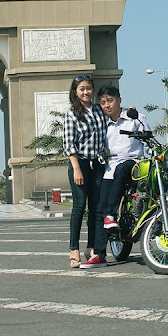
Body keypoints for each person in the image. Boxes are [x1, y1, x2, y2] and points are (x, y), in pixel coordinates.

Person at [81, 85, 150, 268]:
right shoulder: (103, 123)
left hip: (133, 164)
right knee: (99, 208)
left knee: (122, 168)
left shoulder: (135, 117)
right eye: (103, 102)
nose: (106, 105)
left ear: (119, 100)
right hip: (110, 167)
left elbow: (148, 141)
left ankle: (111, 215)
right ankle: (100, 254)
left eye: (110, 101)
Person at [63, 74, 107, 268]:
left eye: (88, 88)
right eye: (81, 88)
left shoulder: (99, 110)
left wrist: (129, 110)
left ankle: (91, 248)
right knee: (79, 207)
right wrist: (76, 169)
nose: (86, 92)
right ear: (75, 91)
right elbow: (68, 143)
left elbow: (114, 114)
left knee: (96, 208)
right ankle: (74, 249)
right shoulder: (71, 113)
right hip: (79, 164)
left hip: (98, 164)